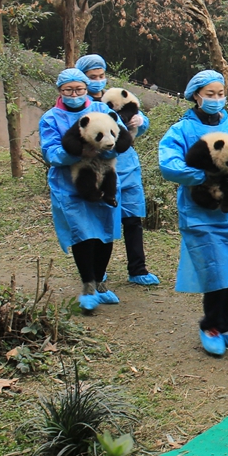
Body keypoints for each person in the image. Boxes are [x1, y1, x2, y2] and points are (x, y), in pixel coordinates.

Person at [159, 70, 228, 356]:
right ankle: (210, 325)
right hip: (200, 213)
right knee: (214, 270)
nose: (216, 99)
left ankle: (227, 325)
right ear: (196, 96)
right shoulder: (182, 131)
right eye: (210, 94)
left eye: (221, 94)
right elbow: (169, 165)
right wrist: (205, 176)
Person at [40, 68, 123, 312]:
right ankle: (88, 286)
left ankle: (100, 282)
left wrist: (108, 149)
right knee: (82, 235)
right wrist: (77, 153)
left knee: (105, 234)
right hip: (69, 185)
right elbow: (50, 152)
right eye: (69, 90)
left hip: (104, 176)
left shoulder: (101, 110)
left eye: (79, 89)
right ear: (60, 91)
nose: (74, 94)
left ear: (87, 89)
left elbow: (118, 138)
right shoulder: (50, 118)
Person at [76, 54, 159, 285]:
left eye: (101, 76)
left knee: (132, 220)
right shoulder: (81, 105)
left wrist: (141, 122)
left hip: (128, 167)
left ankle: (138, 269)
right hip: (101, 170)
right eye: (92, 77)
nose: (98, 80)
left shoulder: (113, 98)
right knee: (102, 223)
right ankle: (97, 270)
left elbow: (133, 123)